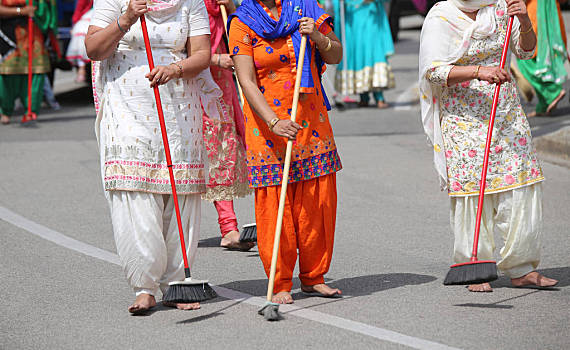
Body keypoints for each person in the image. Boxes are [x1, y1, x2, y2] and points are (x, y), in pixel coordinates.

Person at [420, 0, 558, 292]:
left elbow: (526, 51)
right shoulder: (442, 16)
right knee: (474, 190)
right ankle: (475, 265)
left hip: (505, 112)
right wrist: (478, 71)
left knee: (522, 183)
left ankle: (522, 268)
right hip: (463, 117)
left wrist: (524, 21)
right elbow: (433, 72)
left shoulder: (500, 7)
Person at [86, 0, 212, 313]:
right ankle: (144, 286)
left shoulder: (189, 1)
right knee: (135, 189)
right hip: (127, 107)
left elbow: (202, 54)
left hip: (178, 106)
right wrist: (126, 18)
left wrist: (176, 68)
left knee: (180, 192)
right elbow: (94, 49)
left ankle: (176, 282)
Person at [229, 0, 344, 304]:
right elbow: (246, 80)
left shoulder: (307, 8)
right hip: (267, 125)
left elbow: (335, 55)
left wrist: (318, 38)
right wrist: (274, 121)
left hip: (309, 119)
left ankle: (314, 277)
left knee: (315, 202)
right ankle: (279, 282)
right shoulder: (243, 20)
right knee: (274, 205)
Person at [202, 0, 253, 250]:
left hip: (220, 85)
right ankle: (170, 228)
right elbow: (171, 49)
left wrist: (232, 9)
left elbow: (244, 32)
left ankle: (229, 227)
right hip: (184, 87)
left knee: (223, 152)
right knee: (187, 160)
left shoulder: (220, 6)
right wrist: (213, 58)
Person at [0, 0, 57, 124]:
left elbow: (47, 9)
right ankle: (6, 110)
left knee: (36, 72)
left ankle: (31, 111)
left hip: (33, 33)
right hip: (10, 36)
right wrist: (21, 11)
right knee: (8, 74)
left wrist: (37, 8)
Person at [332, 0, 394, 108]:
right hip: (352, 19)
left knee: (373, 54)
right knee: (358, 56)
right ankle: (363, 96)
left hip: (370, 16)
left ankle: (379, 96)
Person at [516, 0, 567, 117]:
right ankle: (543, 106)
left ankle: (553, 91)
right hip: (550, 13)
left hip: (536, 12)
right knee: (538, 57)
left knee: (525, 57)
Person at [66, 0, 93, 83]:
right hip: (90, 17)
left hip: (92, 16)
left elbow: (79, 9)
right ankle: (82, 67)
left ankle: (82, 68)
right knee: (81, 38)